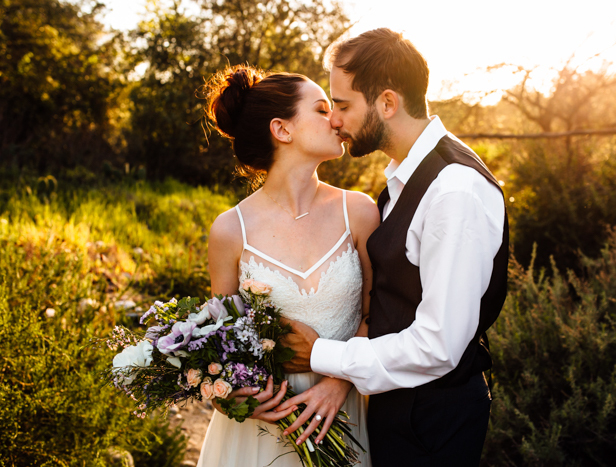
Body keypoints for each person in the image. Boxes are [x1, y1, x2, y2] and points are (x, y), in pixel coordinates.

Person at [277, 28, 509, 466]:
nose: (334, 121)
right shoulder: (405, 177)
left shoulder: (453, 191)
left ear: (387, 103)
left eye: (343, 105)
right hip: (397, 407)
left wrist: (322, 355)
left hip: (433, 420)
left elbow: (439, 346)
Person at [195, 65, 376, 467]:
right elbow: (221, 338)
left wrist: (337, 384)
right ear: (283, 130)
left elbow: (376, 313)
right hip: (264, 425)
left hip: (342, 411)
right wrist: (233, 395)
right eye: (321, 109)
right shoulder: (230, 230)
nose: (336, 120)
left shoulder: (359, 212)